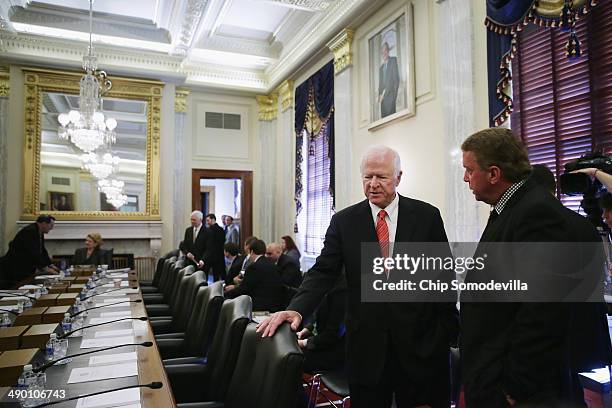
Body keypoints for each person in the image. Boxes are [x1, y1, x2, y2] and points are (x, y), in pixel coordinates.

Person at [258, 145, 459, 408]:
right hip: (367, 350)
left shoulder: (426, 216)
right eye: (367, 177)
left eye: (382, 177)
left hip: (420, 347)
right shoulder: (344, 222)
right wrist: (297, 310)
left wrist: (445, 331)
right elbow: (322, 272)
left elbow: (442, 276)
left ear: (398, 177)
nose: (373, 184)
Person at [460, 128, 603, 407]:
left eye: (469, 170)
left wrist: (515, 387)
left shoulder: (535, 213)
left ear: (493, 173)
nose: (466, 178)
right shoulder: (512, 208)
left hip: (521, 392)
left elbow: (542, 311)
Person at [297, 274, 347, 374]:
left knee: (292, 359)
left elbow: (332, 335)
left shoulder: (343, 293)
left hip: (333, 351)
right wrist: (307, 329)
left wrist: (304, 343)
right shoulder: (329, 285)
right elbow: (318, 313)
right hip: (321, 341)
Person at [224, 239, 285, 312]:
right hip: (275, 305)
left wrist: (226, 294)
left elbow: (244, 289)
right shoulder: (272, 264)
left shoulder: (253, 267)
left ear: (251, 251)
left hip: (258, 306)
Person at [0, 215, 59, 288]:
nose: (52, 228)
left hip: (25, 266)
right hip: (17, 267)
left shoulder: (39, 231)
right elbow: (33, 252)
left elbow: (42, 250)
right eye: (51, 225)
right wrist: (45, 268)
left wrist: (50, 264)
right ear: (44, 223)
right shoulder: (30, 231)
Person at [378, 41, 399, 118]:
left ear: (388, 51)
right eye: (382, 52)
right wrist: (380, 96)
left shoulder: (393, 60)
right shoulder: (380, 69)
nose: (384, 53)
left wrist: (394, 97)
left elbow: (396, 80)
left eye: (385, 51)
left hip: (391, 98)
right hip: (383, 101)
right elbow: (380, 85)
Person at [205, 214, 227, 281]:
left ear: (213, 219)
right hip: (220, 254)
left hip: (211, 255)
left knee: (207, 273)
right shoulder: (221, 229)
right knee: (219, 274)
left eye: (208, 220)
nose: (207, 222)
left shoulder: (208, 230)